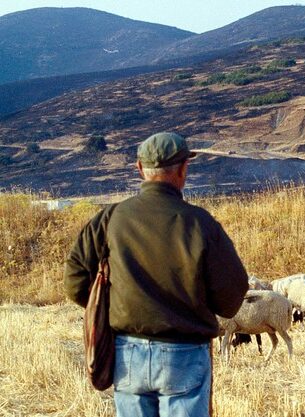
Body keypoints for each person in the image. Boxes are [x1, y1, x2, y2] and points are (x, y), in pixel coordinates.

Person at [64, 132, 249, 417]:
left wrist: (114, 306)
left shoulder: (109, 219)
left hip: (127, 356)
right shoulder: (201, 224)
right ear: (184, 169)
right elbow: (230, 299)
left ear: (139, 169)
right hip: (185, 356)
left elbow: (75, 282)